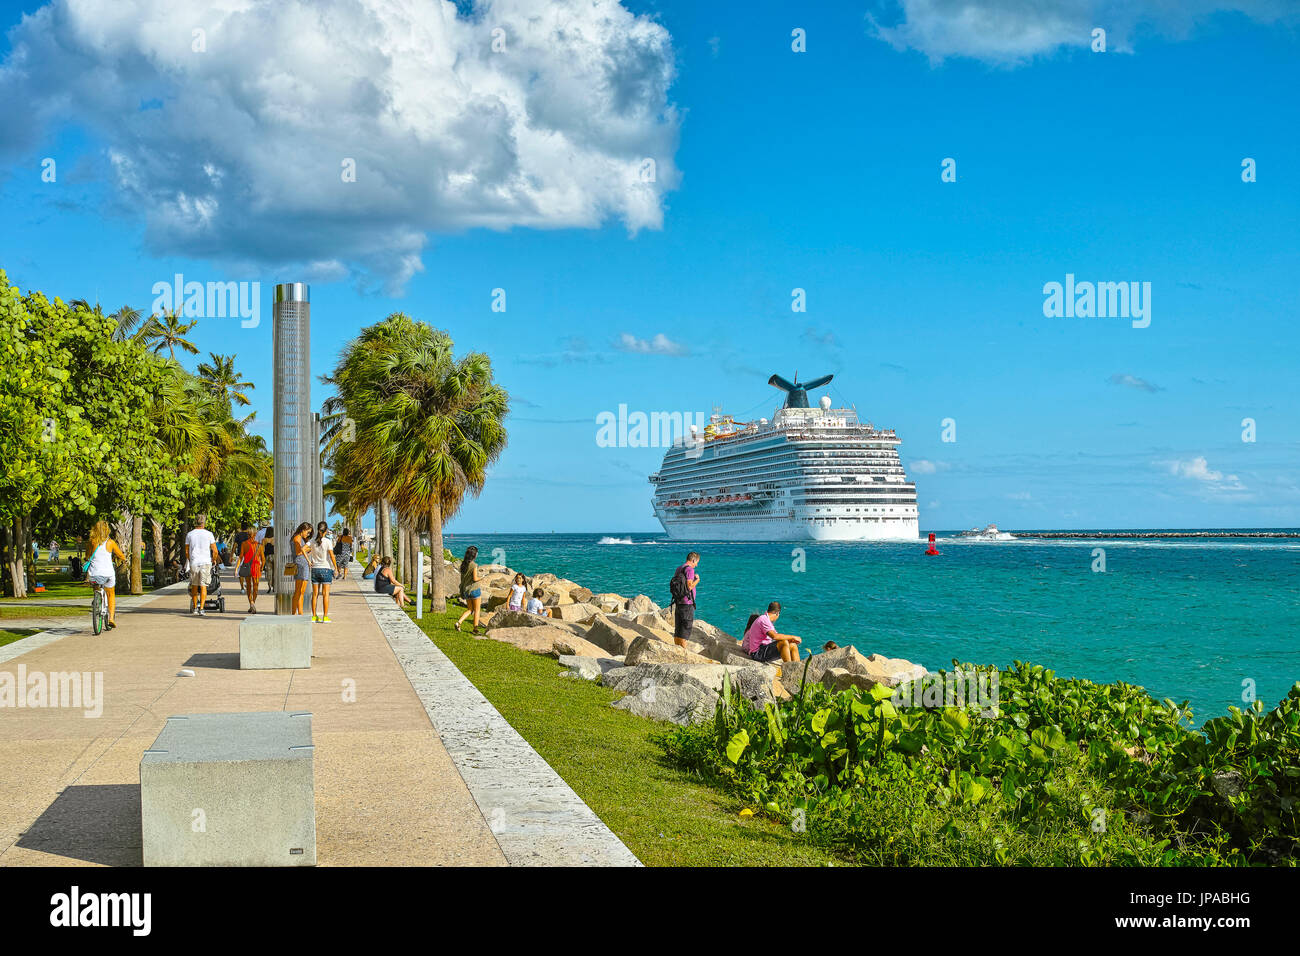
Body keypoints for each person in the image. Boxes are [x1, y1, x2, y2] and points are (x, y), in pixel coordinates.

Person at [85, 520, 127, 629]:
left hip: (94, 574)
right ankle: (111, 619)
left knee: (96, 586)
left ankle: (97, 600)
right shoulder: (110, 542)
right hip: (108, 574)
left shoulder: (91, 542)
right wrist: (123, 559)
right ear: (107, 530)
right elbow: (121, 555)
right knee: (111, 594)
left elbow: (87, 556)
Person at [184, 514, 220, 616]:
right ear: (204, 523)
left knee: (194, 585)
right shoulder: (209, 534)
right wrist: (213, 560)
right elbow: (215, 551)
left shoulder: (190, 534)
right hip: (205, 562)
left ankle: (195, 607)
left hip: (194, 562)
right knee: (203, 585)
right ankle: (202, 608)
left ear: (195, 522)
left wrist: (190, 560)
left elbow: (187, 551)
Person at [669, 551, 701, 648]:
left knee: (678, 629)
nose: (697, 564)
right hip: (687, 602)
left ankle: (677, 649)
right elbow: (689, 586)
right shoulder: (690, 570)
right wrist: (697, 580)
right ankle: (683, 652)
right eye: (697, 562)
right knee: (685, 629)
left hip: (678, 601)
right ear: (693, 560)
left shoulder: (679, 568)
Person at [309, 521, 338, 623]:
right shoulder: (327, 541)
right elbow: (332, 556)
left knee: (315, 594)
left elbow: (303, 549)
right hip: (326, 569)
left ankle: (314, 616)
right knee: (326, 594)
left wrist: (309, 560)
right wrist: (336, 567)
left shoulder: (312, 541)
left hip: (315, 569)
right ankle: (325, 617)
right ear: (326, 531)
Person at [455, 545, 484, 633]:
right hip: (474, 590)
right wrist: (482, 577)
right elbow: (475, 579)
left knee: (470, 609)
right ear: (474, 555)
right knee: (477, 610)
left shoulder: (463, 564)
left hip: (466, 590)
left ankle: (459, 622)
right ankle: (475, 629)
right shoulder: (474, 565)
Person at [237, 525, 264, 613]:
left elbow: (241, 557)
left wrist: (237, 568)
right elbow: (263, 559)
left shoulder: (244, 544)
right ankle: (253, 603)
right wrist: (262, 568)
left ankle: (251, 603)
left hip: (247, 567)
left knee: (249, 586)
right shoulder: (259, 546)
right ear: (255, 534)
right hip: (256, 568)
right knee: (256, 587)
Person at [289, 522, 313, 615]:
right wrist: (308, 548)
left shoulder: (297, 537)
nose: (308, 534)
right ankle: (296, 613)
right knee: (299, 591)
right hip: (301, 564)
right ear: (303, 530)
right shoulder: (297, 538)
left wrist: (307, 549)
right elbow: (299, 552)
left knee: (300, 591)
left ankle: (299, 612)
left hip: (301, 564)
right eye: (307, 532)